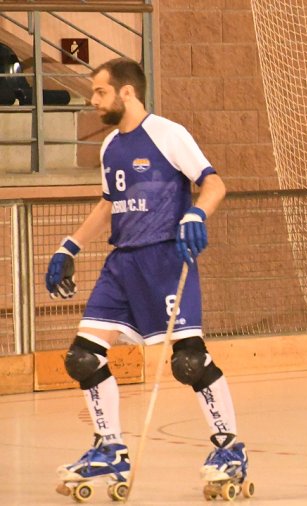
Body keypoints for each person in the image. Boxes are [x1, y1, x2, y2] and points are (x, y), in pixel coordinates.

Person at [48, 58, 249, 498]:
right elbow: (107, 204)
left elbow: (213, 184)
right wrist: (70, 246)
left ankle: (229, 448)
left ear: (126, 92)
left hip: (164, 258)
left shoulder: (167, 133)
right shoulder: (109, 147)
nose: (93, 99)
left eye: (100, 91)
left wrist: (196, 212)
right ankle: (110, 448)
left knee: (189, 361)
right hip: (122, 264)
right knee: (82, 357)